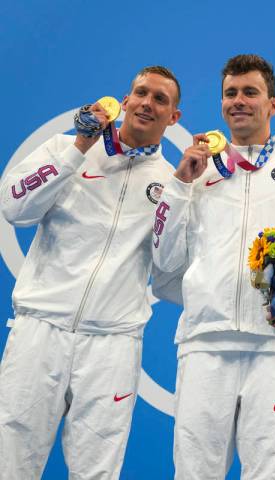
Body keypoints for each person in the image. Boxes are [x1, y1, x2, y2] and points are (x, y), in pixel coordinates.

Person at [152, 54, 275, 480]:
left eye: (250, 92)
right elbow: (164, 259)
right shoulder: (195, 172)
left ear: (273, 104)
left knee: (269, 471)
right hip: (204, 344)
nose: (239, 101)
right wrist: (179, 185)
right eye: (230, 93)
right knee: (195, 471)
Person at [0, 66, 182, 479]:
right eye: (141, 93)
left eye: (160, 99)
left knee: (96, 472)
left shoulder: (171, 184)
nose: (147, 104)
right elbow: (14, 208)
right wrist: (78, 148)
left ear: (174, 118)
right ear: (125, 99)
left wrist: (181, 194)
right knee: (10, 463)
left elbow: (170, 266)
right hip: (40, 330)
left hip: (112, 344)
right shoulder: (67, 148)